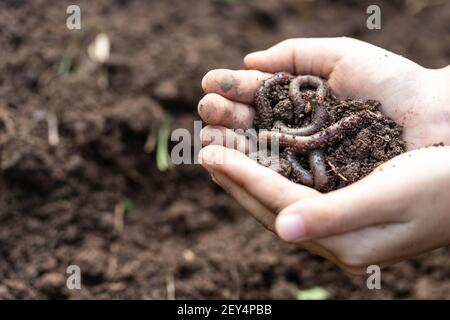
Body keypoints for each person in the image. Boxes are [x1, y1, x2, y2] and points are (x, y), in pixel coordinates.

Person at [197, 37, 450, 274]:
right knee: (310, 146)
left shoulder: (325, 116)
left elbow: (314, 138)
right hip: (301, 138)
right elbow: (309, 138)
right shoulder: (299, 115)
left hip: (305, 138)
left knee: (312, 146)